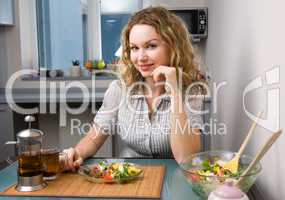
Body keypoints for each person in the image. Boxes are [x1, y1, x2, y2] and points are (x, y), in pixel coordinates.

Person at [64, 6, 204, 171]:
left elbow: (185, 158)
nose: (141, 57)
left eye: (151, 46)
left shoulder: (191, 91)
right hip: (131, 177)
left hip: (174, 178)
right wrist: (78, 152)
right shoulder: (119, 89)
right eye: (134, 48)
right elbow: (94, 138)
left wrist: (174, 91)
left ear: (173, 47)